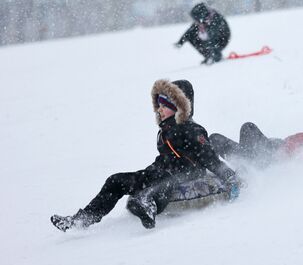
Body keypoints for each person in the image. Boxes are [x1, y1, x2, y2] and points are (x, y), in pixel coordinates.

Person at [51, 79, 240, 231]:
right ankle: (83, 219)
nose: (159, 109)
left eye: (164, 105)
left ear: (179, 107)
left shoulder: (191, 130)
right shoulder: (164, 132)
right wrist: (149, 171)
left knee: (165, 179)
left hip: (185, 175)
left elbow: (209, 158)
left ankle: (148, 204)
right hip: (161, 172)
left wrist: (230, 177)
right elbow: (164, 159)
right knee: (115, 180)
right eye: (158, 105)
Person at [210, 110, 303, 163]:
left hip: (272, 157)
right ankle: (232, 168)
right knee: (215, 139)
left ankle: (247, 168)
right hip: (271, 149)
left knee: (248, 127)